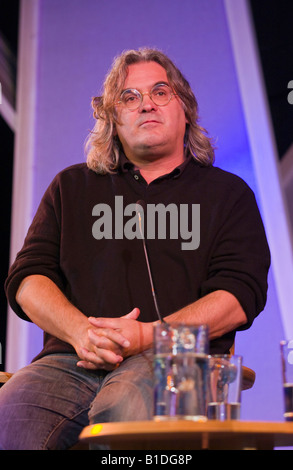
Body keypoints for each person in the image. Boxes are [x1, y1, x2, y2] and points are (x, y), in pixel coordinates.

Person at [0, 47, 270, 450]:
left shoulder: (228, 195)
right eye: (129, 97)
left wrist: (149, 336)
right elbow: (27, 279)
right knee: (11, 413)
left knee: (125, 410)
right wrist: (81, 332)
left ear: (185, 109)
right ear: (112, 118)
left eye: (160, 92)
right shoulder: (70, 187)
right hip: (73, 360)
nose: (146, 104)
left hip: (175, 361)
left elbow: (238, 296)